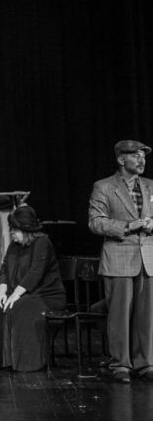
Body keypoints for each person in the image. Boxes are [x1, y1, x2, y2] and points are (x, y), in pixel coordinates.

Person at [88, 139, 153, 383]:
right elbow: (96, 222)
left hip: (148, 257)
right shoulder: (104, 187)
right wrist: (128, 226)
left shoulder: (150, 186)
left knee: (147, 316)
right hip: (119, 256)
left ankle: (145, 363)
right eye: (136, 156)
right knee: (119, 315)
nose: (141, 160)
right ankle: (121, 364)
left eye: (143, 156)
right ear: (121, 159)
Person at [0, 205, 66, 371]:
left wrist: (16, 295)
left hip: (46, 296)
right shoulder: (14, 246)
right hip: (24, 294)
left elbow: (36, 272)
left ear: (26, 229)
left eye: (15, 230)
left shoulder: (42, 243)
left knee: (17, 307)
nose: (11, 233)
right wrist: (2, 293)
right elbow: (4, 269)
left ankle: (24, 363)